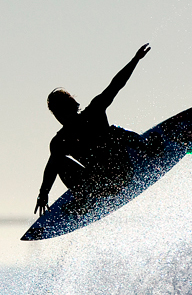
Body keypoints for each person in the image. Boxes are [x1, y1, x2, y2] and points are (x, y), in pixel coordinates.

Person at [35, 43, 153, 214]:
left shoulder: (90, 115)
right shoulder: (63, 138)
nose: (60, 116)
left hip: (115, 179)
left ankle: (148, 148)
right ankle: (86, 199)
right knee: (59, 158)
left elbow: (116, 84)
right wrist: (43, 193)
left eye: (60, 111)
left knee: (113, 132)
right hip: (109, 182)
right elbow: (52, 167)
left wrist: (135, 60)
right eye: (57, 112)